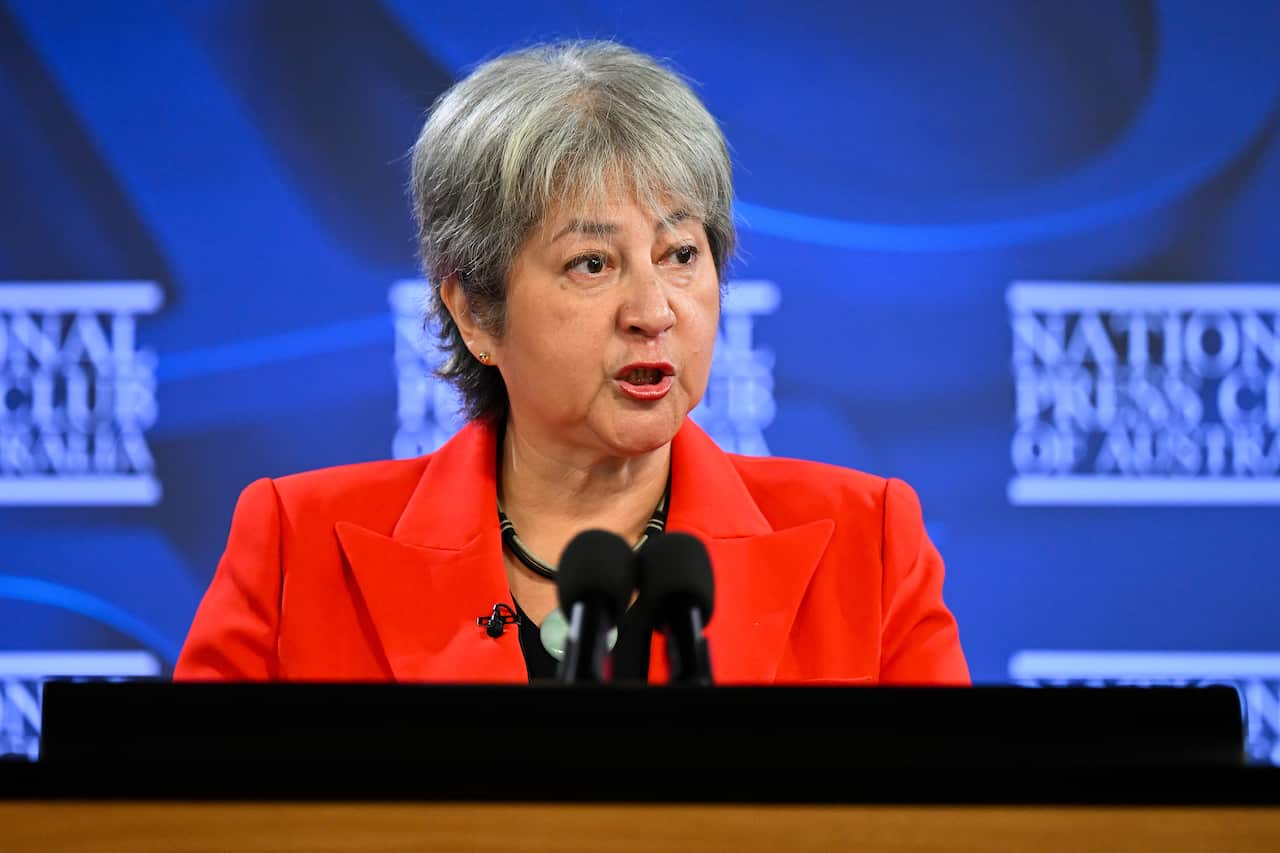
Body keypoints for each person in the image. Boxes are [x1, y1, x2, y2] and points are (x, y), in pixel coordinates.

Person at [174, 40, 968, 686]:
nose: (654, 310)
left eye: (681, 254)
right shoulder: (297, 547)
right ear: (476, 312)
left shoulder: (866, 544)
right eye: (592, 263)